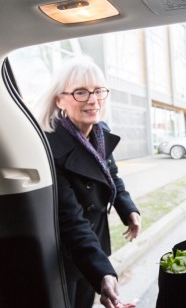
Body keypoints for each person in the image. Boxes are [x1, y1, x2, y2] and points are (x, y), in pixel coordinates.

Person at [36, 55, 141, 308]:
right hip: (69, 252)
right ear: (59, 99)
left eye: (98, 91)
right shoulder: (50, 148)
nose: (93, 100)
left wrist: (128, 210)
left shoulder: (100, 133)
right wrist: (103, 272)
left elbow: (111, 174)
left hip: (95, 241)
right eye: (81, 92)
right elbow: (70, 220)